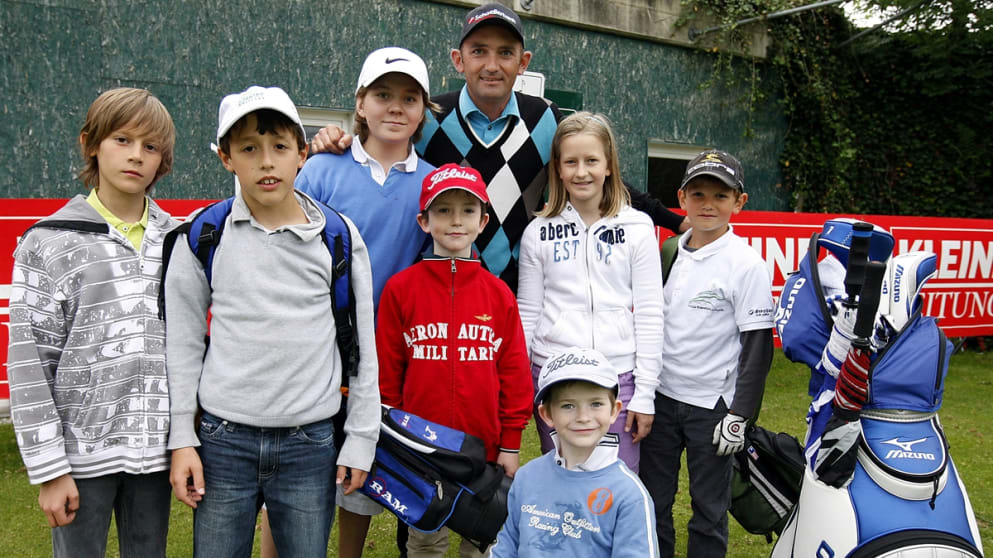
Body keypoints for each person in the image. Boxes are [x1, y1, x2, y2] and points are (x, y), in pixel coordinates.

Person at [311, 3, 686, 293]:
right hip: (444, 287)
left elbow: (601, 176)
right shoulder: (429, 118)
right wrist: (334, 142)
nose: (492, 65)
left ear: (523, 63)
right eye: (479, 51)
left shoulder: (545, 119)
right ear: (459, 60)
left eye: (505, 53)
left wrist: (676, 221)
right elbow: (379, 148)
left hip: (522, 291)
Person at [164, 85, 379, 558]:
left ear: (302, 154)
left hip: (310, 443)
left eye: (280, 147)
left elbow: (362, 348)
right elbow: (180, 346)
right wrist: (182, 438)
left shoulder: (338, 237)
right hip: (222, 442)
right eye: (248, 149)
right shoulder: (203, 235)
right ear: (225, 158)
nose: (266, 162)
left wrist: (361, 439)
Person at [6, 87, 177, 558]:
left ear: (162, 161)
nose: (135, 156)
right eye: (122, 139)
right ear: (91, 144)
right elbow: (28, 362)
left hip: (153, 452)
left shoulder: (176, 239)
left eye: (150, 146)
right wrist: (49, 469)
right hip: (79, 456)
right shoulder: (49, 241)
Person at [289, 46, 438, 558]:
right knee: (297, 468)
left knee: (361, 470)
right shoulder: (322, 170)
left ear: (422, 110)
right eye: (382, 95)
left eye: (408, 97)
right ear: (360, 103)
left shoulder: (431, 183)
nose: (395, 107)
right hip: (315, 345)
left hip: (383, 355)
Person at [375, 163, 534, 558]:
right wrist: (394, 437)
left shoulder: (498, 295)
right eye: (443, 211)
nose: (455, 221)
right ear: (424, 221)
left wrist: (511, 443)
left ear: (483, 222)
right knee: (425, 540)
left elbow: (514, 374)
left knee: (480, 542)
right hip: (421, 448)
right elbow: (388, 373)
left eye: (467, 211)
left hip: (485, 449)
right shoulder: (401, 290)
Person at [638, 150, 775, 558]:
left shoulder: (747, 264)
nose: (708, 205)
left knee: (709, 510)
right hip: (660, 401)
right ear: (681, 198)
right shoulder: (668, 252)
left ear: (739, 202)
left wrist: (739, 415)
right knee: (652, 502)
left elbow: (757, 347)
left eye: (721, 195)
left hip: (713, 408)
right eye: (698, 194)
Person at [516, 112, 663, 473]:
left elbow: (649, 312)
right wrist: (521, 383)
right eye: (571, 162)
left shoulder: (638, 227)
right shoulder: (538, 231)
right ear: (558, 170)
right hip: (553, 374)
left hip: (617, 379)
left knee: (616, 484)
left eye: (591, 161)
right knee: (563, 480)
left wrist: (644, 395)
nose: (581, 172)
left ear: (609, 165)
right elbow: (528, 311)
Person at [490, 347, 659, 558]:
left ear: (614, 410)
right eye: (568, 405)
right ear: (546, 414)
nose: (583, 416)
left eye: (596, 403)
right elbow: (506, 546)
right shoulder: (527, 477)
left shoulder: (629, 495)